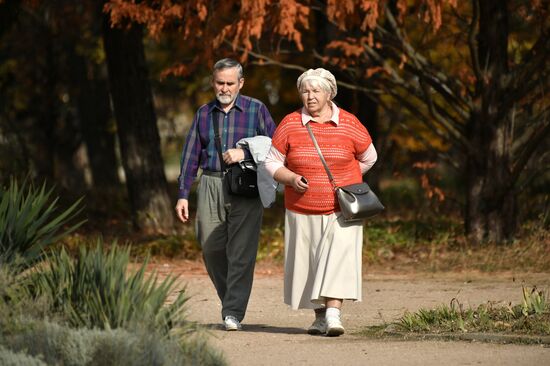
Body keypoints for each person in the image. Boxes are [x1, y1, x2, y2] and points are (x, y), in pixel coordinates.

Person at [264, 68, 377, 336]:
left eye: (316, 90)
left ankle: (334, 315)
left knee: (338, 259)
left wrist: (347, 180)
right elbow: (271, 161)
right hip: (301, 208)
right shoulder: (290, 123)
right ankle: (319, 318)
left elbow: (369, 157)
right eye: (305, 90)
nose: (310, 96)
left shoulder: (349, 123)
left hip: (342, 209)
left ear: (329, 93)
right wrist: (290, 178)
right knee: (310, 265)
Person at [175, 58, 276, 331]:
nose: (225, 88)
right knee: (211, 248)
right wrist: (183, 194)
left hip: (246, 186)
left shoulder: (257, 110)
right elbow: (190, 156)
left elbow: (277, 149)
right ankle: (231, 298)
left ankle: (232, 311)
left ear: (240, 83)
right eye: (220, 82)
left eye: (230, 83)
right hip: (210, 184)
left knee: (241, 252)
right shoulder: (203, 113)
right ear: (213, 81)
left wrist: (245, 153)